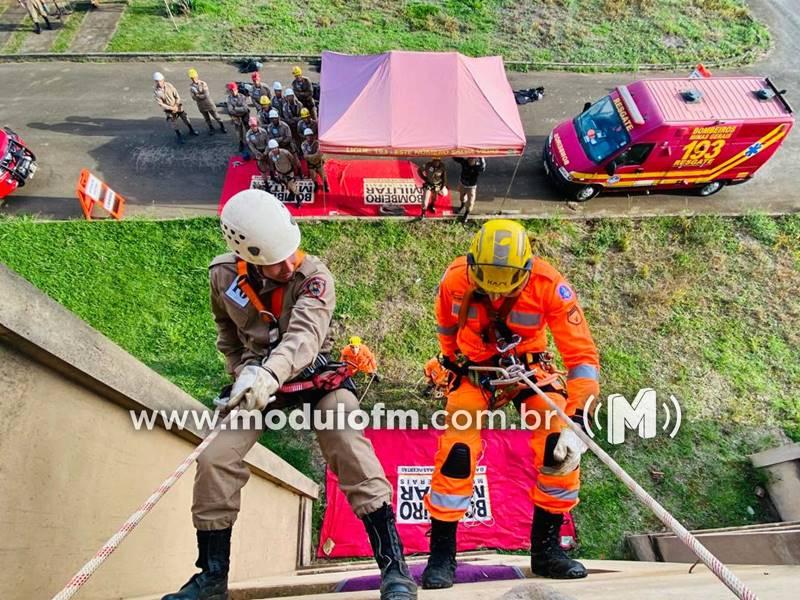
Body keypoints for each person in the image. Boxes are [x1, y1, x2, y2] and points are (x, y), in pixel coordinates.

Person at [161, 190, 417, 600]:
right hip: (255, 381)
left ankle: (395, 569)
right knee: (214, 459)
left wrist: (268, 375)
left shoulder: (315, 278)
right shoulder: (224, 276)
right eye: (273, 261)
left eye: (289, 253)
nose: (286, 265)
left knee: (347, 442)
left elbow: (304, 339)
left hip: (314, 376)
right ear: (245, 255)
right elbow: (226, 331)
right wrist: (241, 373)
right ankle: (211, 578)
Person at [421, 219, 600, 588]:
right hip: (474, 371)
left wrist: (577, 416)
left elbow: (581, 357)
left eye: (507, 287)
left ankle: (547, 550)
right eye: (486, 282)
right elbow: (445, 324)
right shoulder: (456, 279)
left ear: (526, 270)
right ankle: (442, 554)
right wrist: (452, 358)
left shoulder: (550, 286)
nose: (497, 296)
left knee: (558, 446)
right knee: (457, 452)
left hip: (527, 370)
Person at [153, 71, 199, 145]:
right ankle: (179, 136)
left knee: (186, 118)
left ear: (163, 80)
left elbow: (177, 96)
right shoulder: (156, 91)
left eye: (160, 81)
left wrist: (176, 105)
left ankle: (191, 130)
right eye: (157, 81)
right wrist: (171, 108)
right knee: (174, 124)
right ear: (155, 81)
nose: (159, 83)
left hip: (178, 106)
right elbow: (160, 103)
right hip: (169, 110)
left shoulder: (169, 85)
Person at [188, 68, 226, 136]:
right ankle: (211, 128)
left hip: (209, 103)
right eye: (192, 78)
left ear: (197, 76)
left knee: (216, 116)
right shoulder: (191, 87)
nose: (193, 79)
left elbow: (206, 94)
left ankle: (222, 126)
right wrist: (199, 96)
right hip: (201, 105)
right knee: (206, 118)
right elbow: (193, 97)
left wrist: (198, 96)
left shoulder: (203, 83)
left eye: (194, 77)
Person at [267, 139, 302, 207]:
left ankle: (298, 199)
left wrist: (295, 171)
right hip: (280, 173)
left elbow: (292, 160)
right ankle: (291, 194)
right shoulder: (270, 155)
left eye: (275, 148)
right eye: (272, 149)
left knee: (292, 186)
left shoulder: (285, 153)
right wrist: (273, 172)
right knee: (286, 185)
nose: (274, 150)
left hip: (289, 172)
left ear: (277, 147)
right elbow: (272, 163)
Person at [452, 157, 486, 221]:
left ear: (475, 159)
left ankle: (466, 213)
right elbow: (455, 158)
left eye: (472, 159)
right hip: (463, 184)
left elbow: (483, 167)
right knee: (462, 198)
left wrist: (481, 157)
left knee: (470, 202)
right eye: (469, 159)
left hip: (471, 187)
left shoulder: (478, 166)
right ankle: (462, 205)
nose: (470, 161)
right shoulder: (464, 162)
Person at [301, 128, 329, 193]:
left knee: (324, 176)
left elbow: (319, 154)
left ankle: (325, 185)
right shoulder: (303, 144)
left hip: (319, 163)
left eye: (310, 135)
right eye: (307, 136)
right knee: (313, 177)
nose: (309, 137)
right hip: (311, 165)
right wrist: (314, 156)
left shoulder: (317, 143)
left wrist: (310, 156)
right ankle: (315, 186)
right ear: (305, 137)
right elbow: (305, 156)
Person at [225, 81, 250, 153]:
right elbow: (230, 110)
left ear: (237, 89)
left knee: (248, 128)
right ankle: (241, 142)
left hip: (245, 115)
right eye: (231, 90)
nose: (233, 92)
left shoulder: (242, 97)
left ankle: (249, 140)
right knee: (239, 130)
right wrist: (239, 109)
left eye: (234, 90)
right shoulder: (229, 99)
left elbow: (245, 109)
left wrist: (235, 108)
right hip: (236, 116)